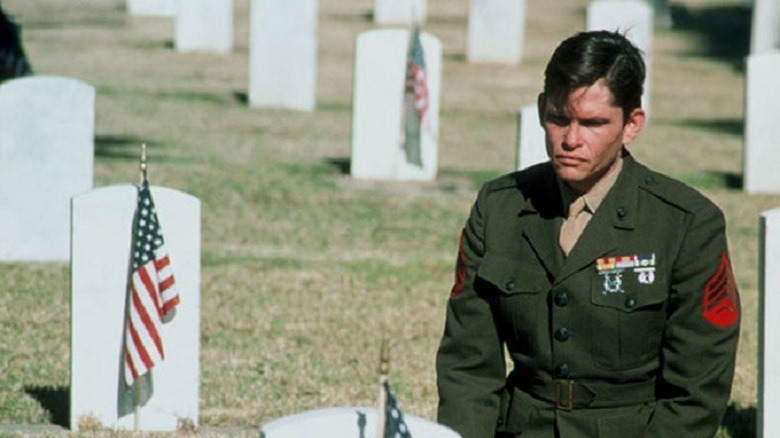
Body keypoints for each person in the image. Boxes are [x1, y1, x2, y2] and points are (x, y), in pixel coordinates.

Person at [435, 30, 740, 438]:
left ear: (632, 124)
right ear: (543, 109)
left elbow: (697, 389)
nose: (571, 140)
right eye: (559, 118)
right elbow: (467, 366)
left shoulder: (685, 224)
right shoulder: (499, 208)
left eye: (593, 123)